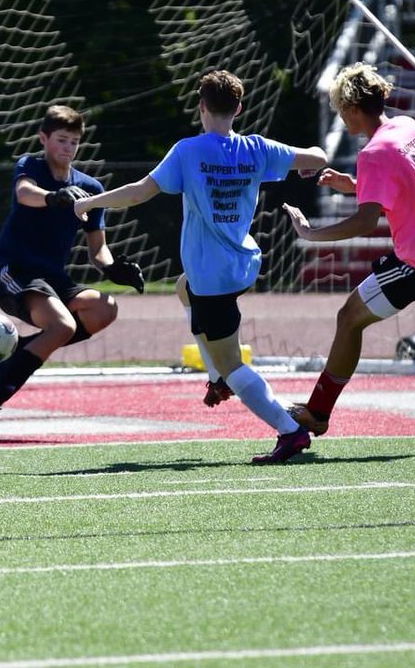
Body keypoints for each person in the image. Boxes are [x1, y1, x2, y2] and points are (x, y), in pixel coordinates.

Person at [74, 70, 328, 464]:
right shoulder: (257, 148)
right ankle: (217, 379)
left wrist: (91, 203)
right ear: (239, 108)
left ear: (202, 106)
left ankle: (289, 429)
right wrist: (308, 165)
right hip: (240, 264)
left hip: (213, 277)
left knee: (233, 364)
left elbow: (141, 191)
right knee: (182, 287)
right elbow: (319, 156)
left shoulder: (188, 151)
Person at [285, 62, 415, 436]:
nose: (342, 117)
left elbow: (364, 222)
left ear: (355, 109)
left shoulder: (373, 152)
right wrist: (356, 186)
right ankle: (318, 412)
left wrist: (313, 234)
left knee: (349, 318)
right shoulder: (407, 126)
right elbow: (406, 184)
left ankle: (317, 413)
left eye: (343, 110)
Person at [0, 104, 145, 430]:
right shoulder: (31, 166)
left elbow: (98, 250)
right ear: (43, 138)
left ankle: (21, 351)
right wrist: (54, 197)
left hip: (54, 279)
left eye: (74, 142)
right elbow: (25, 194)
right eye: (61, 140)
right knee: (62, 327)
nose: (68, 148)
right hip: (17, 272)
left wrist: (112, 269)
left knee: (105, 308)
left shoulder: (91, 190)